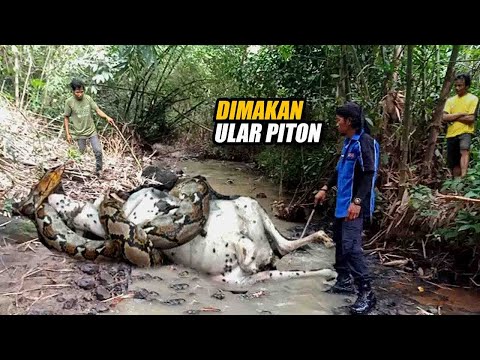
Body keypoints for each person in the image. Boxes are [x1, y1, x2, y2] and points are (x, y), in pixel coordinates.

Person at [314, 102, 380, 315]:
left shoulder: (364, 143)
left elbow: (369, 174)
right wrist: (325, 188)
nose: (336, 123)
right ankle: (343, 282)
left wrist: (357, 202)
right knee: (341, 245)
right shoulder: (348, 143)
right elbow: (338, 170)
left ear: (349, 121)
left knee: (351, 248)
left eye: (338, 120)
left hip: (355, 207)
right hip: (342, 205)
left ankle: (367, 293)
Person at [64, 78, 115, 177]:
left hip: (91, 130)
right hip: (79, 132)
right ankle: (73, 170)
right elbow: (66, 117)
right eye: (77, 92)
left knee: (98, 151)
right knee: (80, 152)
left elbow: (97, 110)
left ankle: (98, 170)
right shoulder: (69, 102)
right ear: (73, 91)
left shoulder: (88, 99)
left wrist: (106, 117)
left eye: (82, 92)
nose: (80, 94)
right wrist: (68, 134)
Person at [442, 73, 479, 178]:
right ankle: (456, 183)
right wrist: (461, 114)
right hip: (451, 133)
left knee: (464, 151)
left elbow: (471, 118)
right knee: (454, 160)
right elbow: (444, 117)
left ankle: (463, 177)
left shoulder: (473, 99)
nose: (457, 88)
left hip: (465, 132)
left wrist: (453, 117)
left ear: (467, 86)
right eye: (456, 86)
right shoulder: (450, 100)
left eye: (460, 86)